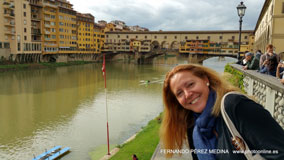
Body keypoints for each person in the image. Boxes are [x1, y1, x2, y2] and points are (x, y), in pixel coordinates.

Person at [160, 64, 284, 160]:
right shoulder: (193, 127)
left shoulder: (235, 106)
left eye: (191, 84)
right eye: (179, 93)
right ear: (176, 101)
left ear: (205, 80)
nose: (187, 94)